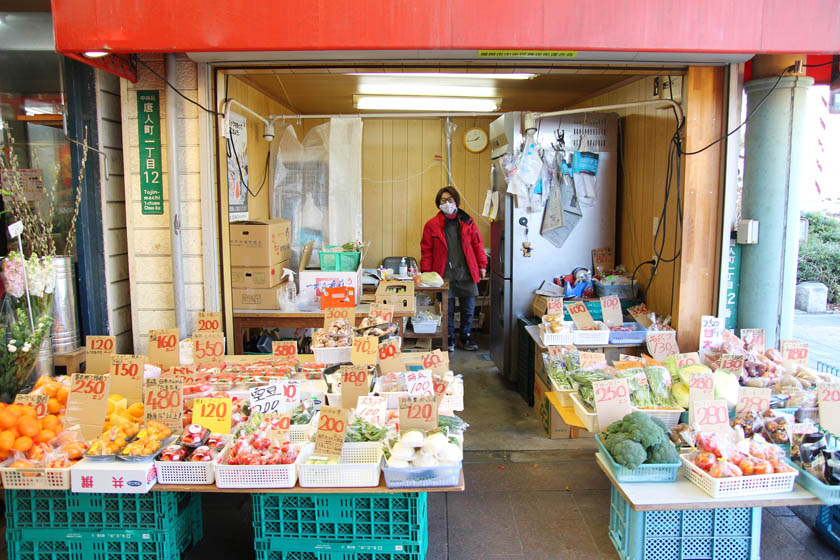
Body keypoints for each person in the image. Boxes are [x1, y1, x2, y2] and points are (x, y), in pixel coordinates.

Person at [420, 186, 487, 352]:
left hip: (466, 271)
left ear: (456, 201)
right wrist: (426, 273)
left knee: (468, 308)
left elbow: (477, 244)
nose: (447, 203)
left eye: (450, 199)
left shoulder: (467, 221)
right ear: (438, 204)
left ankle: (465, 337)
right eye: (443, 200)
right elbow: (426, 250)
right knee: (446, 309)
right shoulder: (431, 225)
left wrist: (482, 265)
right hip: (443, 274)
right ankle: (448, 337)